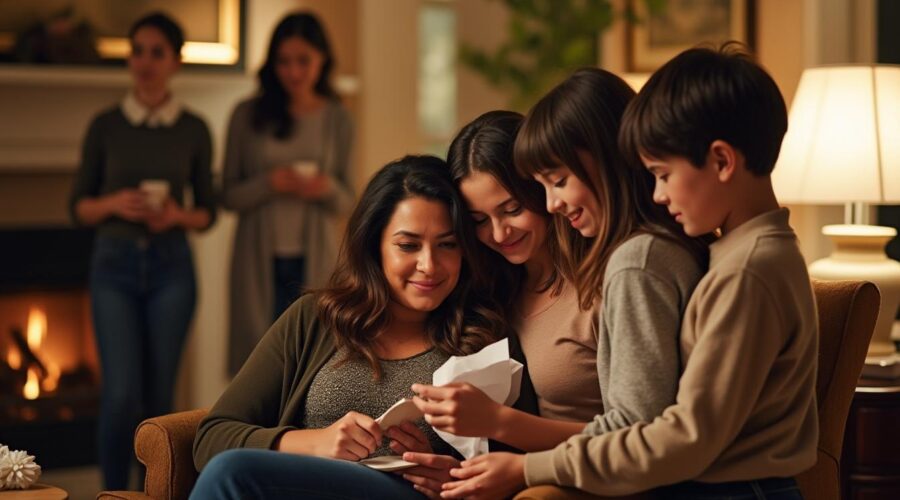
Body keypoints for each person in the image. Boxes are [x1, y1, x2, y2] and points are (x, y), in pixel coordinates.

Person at [449, 45, 819, 500]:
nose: (658, 193)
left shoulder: (715, 267)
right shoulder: (745, 253)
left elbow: (679, 435)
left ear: (722, 162)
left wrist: (529, 468)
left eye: (661, 173)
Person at [438, 67, 710, 499]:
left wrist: (512, 446)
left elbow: (639, 437)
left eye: (511, 209)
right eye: (478, 222)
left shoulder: (623, 269)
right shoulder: (494, 286)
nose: (499, 233)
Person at [189, 156, 518, 500]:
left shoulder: (484, 337)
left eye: (447, 244)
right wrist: (315, 442)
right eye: (408, 245)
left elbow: (514, 464)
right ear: (374, 247)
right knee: (229, 470)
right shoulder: (315, 318)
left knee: (234, 473)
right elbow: (211, 437)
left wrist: (450, 474)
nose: (429, 265)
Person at [68, 12, 215, 491]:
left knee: (160, 398)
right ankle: (113, 491)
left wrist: (176, 216)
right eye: (137, 51)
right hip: (114, 266)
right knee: (121, 393)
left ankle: (156, 492)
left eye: (156, 52)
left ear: (175, 61)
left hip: (172, 268)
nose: (144, 62)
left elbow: (208, 212)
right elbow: (78, 207)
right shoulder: (105, 125)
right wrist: (114, 203)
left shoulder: (193, 128)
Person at [222, 11, 354, 375]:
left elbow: (348, 199)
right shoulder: (246, 115)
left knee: (313, 359)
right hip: (257, 260)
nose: (293, 72)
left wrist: (324, 187)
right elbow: (228, 196)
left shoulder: (337, 119)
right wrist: (269, 184)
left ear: (322, 60)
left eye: (303, 61)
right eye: (283, 61)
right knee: (259, 366)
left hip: (315, 259)